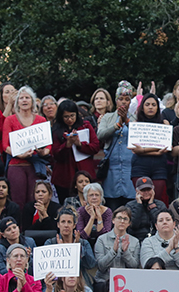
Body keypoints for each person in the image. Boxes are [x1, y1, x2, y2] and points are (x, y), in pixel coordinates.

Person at [2, 86, 50, 205]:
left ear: (32, 101)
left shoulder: (41, 120)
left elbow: (48, 146)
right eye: (21, 98)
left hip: (35, 166)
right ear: (17, 102)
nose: (24, 100)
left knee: (35, 201)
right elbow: (5, 145)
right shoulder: (10, 120)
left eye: (27, 98)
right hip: (16, 165)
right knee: (18, 201)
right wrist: (20, 154)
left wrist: (42, 152)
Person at [97, 82, 136, 210]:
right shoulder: (108, 117)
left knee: (130, 210)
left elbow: (139, 136)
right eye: (120, 99)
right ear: (116, 101)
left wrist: (127, 121)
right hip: (111, 173)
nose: (123, 102)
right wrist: (117, 125)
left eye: (127, 99)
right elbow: (100, 134)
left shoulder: (136, 118)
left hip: (130, 171)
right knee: (112, 209)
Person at [51, 100, 99, 202]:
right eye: (66, 117)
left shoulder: (85, 125)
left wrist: (80, 144)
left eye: (72, 116)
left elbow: (95, 147)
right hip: (64, 176)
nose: (70, 119)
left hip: (84, 172)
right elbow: (55, 154)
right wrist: (67, 145)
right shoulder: (56, 130)